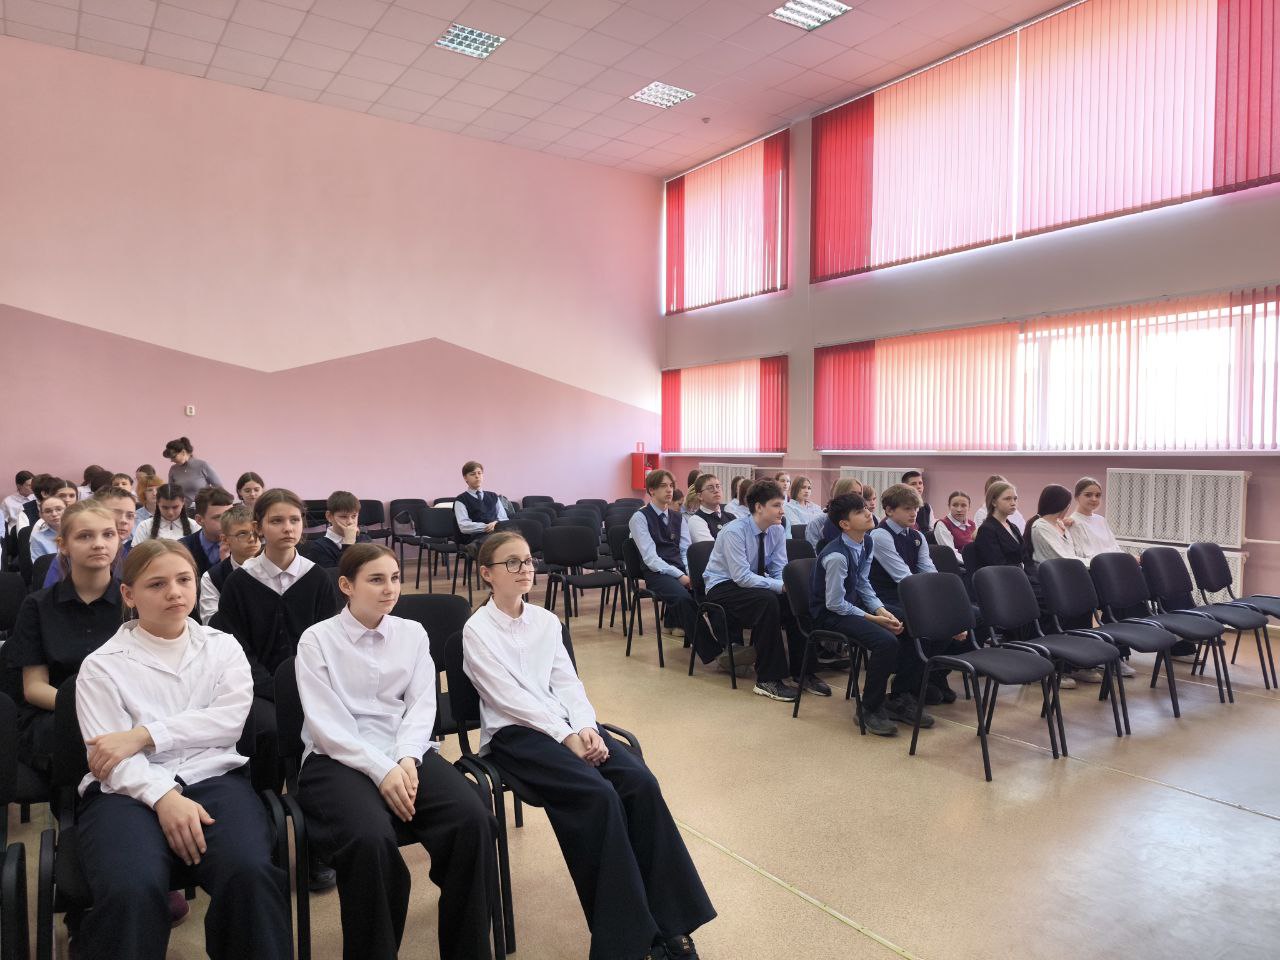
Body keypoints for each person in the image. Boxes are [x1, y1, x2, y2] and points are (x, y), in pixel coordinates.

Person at [464, 532, 715, 960]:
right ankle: (630, 943)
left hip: (567, 724)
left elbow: (568, 683)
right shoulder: (477, 631)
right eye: (513, 563)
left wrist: (585, 727)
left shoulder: (546, 621)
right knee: (598, 797)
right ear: (487, 574)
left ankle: (672, 923)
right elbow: (508, 699)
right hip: (516, 735)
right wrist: (566, 737)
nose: (525, 569)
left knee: (640, 782)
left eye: (528, 561)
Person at [73, 539, 292, 960]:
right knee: (130, 888)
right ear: (129, 594)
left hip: (214, 778)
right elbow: (109, 759)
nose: (174, 592)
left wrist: (143, 735)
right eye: (157, 584)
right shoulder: (102, 665)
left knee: (250, 872)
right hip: (126, 792)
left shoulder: (222, 647)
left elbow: (228, 722)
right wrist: (164, 797)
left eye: (184, 580)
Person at [296, 544, 498, 960]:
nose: (389, 589)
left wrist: (405, 758)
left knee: (472, 819)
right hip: (337, 758)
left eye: (394, 578)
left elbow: (422, 705)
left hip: (405, 750)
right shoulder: (317, 640)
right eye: (376, 580)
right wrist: (381, 769)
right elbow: (327, 726)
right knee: (369, 839)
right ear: (347, 585)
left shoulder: (412, 633)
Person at [215, 486, 339, 887]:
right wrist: (269, 687)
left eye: (294, 520)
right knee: (266, 731)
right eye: (277, 521)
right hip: (258, 688)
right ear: (258, 527)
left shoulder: (317, 578)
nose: (288, 528)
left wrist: (310, 686)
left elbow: (331, 641)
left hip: (314, 684)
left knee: (319, 738)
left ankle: (317, 845)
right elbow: (235, 648)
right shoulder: (239, 583)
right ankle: (266, 840)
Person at [7, 501, 121, 772]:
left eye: (108, 534)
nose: (99, 544)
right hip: (58, 713)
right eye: (85, 536)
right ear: (63, 545)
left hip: (125, 713)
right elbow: (34, 687)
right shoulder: (37, 605)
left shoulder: (135, 602)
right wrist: (89, 711)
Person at [700, 479, 829, 701]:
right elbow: (741, 577)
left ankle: (804, 672)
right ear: (759, 507)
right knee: (767, 602)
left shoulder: (777, 530)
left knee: (794, 600)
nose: (782, 510)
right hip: (722, 586)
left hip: (753, 584)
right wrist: (780, 586)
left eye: (782, 504)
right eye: (776, 505)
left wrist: (786, 588)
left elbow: (779, 568)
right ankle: (768, 679)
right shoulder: (734, 532)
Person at [809, 494, 907, 737]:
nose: (868, 513)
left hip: (851, 604)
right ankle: (869, 708)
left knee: (909, 622)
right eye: (860, 512)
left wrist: (881, 610)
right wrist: (873, 619)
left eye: (866, 508)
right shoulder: (837, 556)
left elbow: (863, 583)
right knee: (885, 642)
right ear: (845, 524)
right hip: (829, 614)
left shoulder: (867, 542)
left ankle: (900, 695)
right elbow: (834, 604)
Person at [626, 470, 697, 642]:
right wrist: (680, 576)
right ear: (651, 490)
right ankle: (711, 649)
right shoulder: (640, 518)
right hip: (656, 572)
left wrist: (689, 572)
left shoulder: (678, 518)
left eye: (671, 486)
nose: (669, 490)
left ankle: (674, 623)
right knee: (683, 597)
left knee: (707, 590)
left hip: (678, 568)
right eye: (664, 486)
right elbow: (650, 558)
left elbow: (685, 550)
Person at [41, 487, 138, 589]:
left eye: (130, 516)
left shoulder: (128, 556)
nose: (124, 521)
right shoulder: (66, 561)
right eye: (115, 513)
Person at [199, 505, 260, 626]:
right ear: (225, 539)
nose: (252, 539)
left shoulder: (276, 565)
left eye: (256, 532)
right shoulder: (212, 577)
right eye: (242, 534)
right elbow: (211, 623)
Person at [304, 490, 372, 568]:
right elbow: (339, 573)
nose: (350, 522)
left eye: (354, 516)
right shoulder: (319, 547)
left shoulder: (364, 539)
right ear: (329, 516)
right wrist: (348, 543)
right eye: (343, 517)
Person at [181, 487, 235, 579]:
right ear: (199, 520)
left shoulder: (243, 543)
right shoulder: (183, 549)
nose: (228, 522)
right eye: (218, 517)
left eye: (230, 515)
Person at [454, 461, 507, 545]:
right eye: (472, 474)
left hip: (496, 534)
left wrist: (496, 524)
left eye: (479, 473)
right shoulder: (461, 500)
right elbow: (464, 526)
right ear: (465, 478)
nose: (477, 476)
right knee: (496, 543)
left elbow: (504, 518)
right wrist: (487, 527)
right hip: (475, 537)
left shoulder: (493, 496)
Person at [1070, 477, 1122, 560]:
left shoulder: (1101, 520)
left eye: (1097, 495)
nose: (1094, 499)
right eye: (1088, 495)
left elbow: (1115, 548)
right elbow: (1080, 555)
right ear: (1077, 497)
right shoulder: (1073, 522)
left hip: (1112, 563)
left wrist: (1128, 558)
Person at [163, 437, 223, 507]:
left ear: (183, 452)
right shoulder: (173, 469)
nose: (171, 460)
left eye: (173, 457)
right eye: (170, 458)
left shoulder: (202, 465)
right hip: (183, 510)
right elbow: (171, 491)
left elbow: (219, 488)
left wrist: (211, 503)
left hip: (203, 508)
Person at [806, 477, 861, 551]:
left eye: (860, 494)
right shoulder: (816, 524)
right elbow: (815, 553)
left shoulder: (862, 522)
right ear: (841, 494)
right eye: (853, 493)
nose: (858, 498)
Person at [686, 474, 734, 544]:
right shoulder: (696, 520)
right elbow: (710, 547)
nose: (716, 490)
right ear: (700, 496)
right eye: (710, 488)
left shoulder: (731, 517)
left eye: (718, 486)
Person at [932, 491, 976, 561]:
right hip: (959, 564)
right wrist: (972, 563)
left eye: (963, 505)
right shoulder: (942, 524)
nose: (959, 509)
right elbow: (951, 553)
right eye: (955, 505)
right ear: (949, 506)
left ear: (969, 507)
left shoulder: (972, 524)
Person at [28, 494, 66, 561]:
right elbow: (40, 564)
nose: (54, 514)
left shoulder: (79, 530)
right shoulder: (37, 537)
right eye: (48, 511)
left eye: (59, 509)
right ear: (41, 515)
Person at [901, 471, 934, 540]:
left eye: (920, 483)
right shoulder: (899, 507)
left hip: (925, 541)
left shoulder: (927, 507)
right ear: (904, 487)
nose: (918, 486)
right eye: (913, 484)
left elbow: (931, 529)